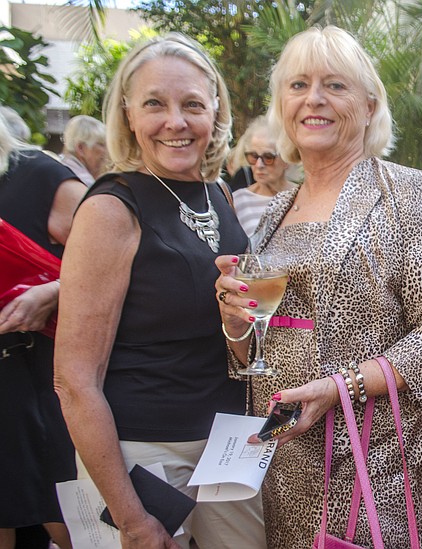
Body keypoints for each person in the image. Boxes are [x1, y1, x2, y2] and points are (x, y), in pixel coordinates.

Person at [214, 25, 422, 548]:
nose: (313, 99)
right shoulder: (275, 211)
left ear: (369, 104)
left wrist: (342, 388)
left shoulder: (408, 193)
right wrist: (235, 323)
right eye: (298, 86)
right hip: (283, 461)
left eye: (334, 85)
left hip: (370, 462)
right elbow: (257, 352)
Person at [53, 33, 265, 549]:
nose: (176, 122)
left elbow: (235, 342)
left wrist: (238, 327)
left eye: (192, 104)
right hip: (141, 454)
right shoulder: (110, 209)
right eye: (154, 104)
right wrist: (130, 517)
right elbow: (74, 379)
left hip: (228, 444)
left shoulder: (217, 195)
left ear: (216, 110)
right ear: (128, 113)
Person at [0, 114, 86, 549]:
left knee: (65, 517)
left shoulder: (35, 174)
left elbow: (124, 256)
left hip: (38, 376)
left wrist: (53, 291)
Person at [232, 117, 297, 236]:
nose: (259, 165)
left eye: (268, 157)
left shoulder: (301, 197)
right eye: (253, 156)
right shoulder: (237, 201)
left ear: (286, 159)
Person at [60, 114, 108, 186]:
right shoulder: (84, 182)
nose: (107, 151)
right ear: (81, 148)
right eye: (101, 144)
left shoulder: (59, 169)